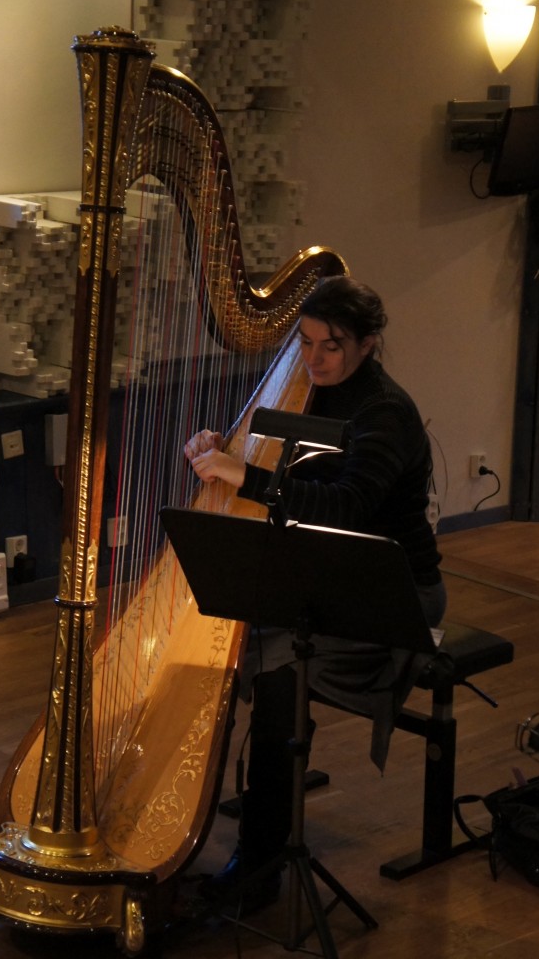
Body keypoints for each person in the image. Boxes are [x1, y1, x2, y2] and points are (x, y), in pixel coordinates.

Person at [183, 274, 446, 912]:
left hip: (390, 590)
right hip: (316, 575)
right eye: (304, 343)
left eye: (331, 346)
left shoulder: (385, 411)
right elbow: (281, 465)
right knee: (234, 644)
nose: (314, 358)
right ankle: (224, 810)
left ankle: (262, 860)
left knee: (277, 675)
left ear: (368, 344)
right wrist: (224, 448)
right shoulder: (305, 390)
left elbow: (351, 506)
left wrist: (248, 475)